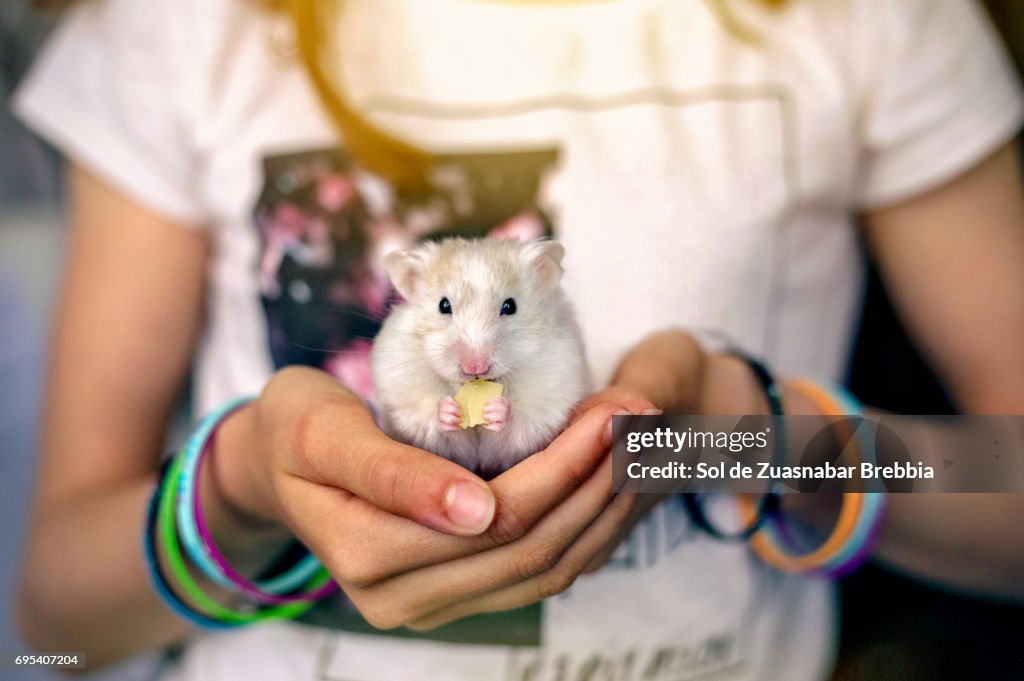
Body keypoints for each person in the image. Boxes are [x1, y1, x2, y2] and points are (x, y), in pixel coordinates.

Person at [11, 0, 1024, 679]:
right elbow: (56, 623)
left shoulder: (872, 22)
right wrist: (239, 484)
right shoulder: (172, 27)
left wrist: (741, 440)